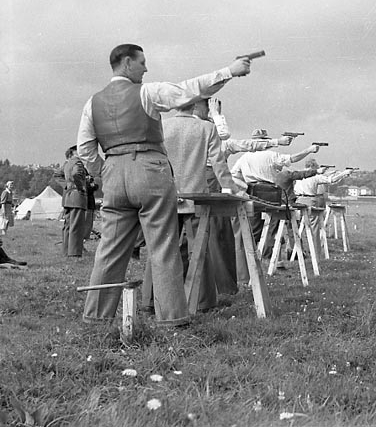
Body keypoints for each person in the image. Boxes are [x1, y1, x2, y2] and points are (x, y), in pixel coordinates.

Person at [77, 43, 251, 327]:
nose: (146, 68)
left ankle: (96, 318)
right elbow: (188, 90)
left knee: (109, 249)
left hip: (114, 172)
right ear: (127, 62)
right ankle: (171, 319)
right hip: (150, 170)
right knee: (163, 247)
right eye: (142, 62)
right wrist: (229, 71)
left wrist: (105, 172)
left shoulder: (92, 103)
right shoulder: (146, 93)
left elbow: (85, 150)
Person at [142, 98, 243, 313]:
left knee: (159, 247)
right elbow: (218, 163)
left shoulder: (161, 125)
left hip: (165, 195)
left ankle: (150, 300)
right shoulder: (206, 128)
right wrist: (230, 188)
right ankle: (203, 301)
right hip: (196, 196)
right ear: (196, 106)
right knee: (199, 248)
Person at [231, 134, 319, 278]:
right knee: (273, 229)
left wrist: (245, 186)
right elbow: (292, 159)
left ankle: (247, 266)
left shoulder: (244, 157)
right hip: (271, 193)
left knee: (252, 229)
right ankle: (272, 261)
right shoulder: (271, 155)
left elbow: (234, 175)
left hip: (252, 192)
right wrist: (309, 150)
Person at [294, 159, 354, 256]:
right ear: (314, 167)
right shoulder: (315, 177)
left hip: (297, 201)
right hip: (310, 200)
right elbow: (331, 180)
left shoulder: (299, 175)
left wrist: (330, 172)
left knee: (295, 226)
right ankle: (316, 254)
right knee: (314, 228)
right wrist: (344, 173)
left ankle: (294, 252)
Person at [60, 146, 88, 257]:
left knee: (67, 225)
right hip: (77, 196)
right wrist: (81, 187)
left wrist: (67, 185)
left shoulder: (67, 164)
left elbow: (57, 174)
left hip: (67, 197)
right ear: (73, 153)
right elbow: (76, 174)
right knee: (77, 225)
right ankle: (74, 253)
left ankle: (66, 251)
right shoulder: (78, 163)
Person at [0, 181, 26, 267]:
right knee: (3, 224)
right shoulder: (5, 192)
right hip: (5, 210)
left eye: (12, 185)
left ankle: (7, 259)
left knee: (7, 224)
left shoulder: (10, 193)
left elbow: (11, 203)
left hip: (9, 210)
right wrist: (3, 212)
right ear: (7, 185)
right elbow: (3, 203)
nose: (12, 186)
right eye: (10, 184)